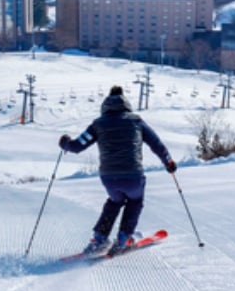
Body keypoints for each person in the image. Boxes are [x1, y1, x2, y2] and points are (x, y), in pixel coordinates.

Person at [59, 85, 177, 255]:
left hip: (109, 178)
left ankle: (99, 239)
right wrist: (169, 163)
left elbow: (77, 146)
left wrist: (65, 143)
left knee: (114, 201)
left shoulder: (98, 125)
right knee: (135, 201)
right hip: (133, 176)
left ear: (104, 106)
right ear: (126, 105)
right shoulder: (136, 121)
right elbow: (157, 145)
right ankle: (124, 238)